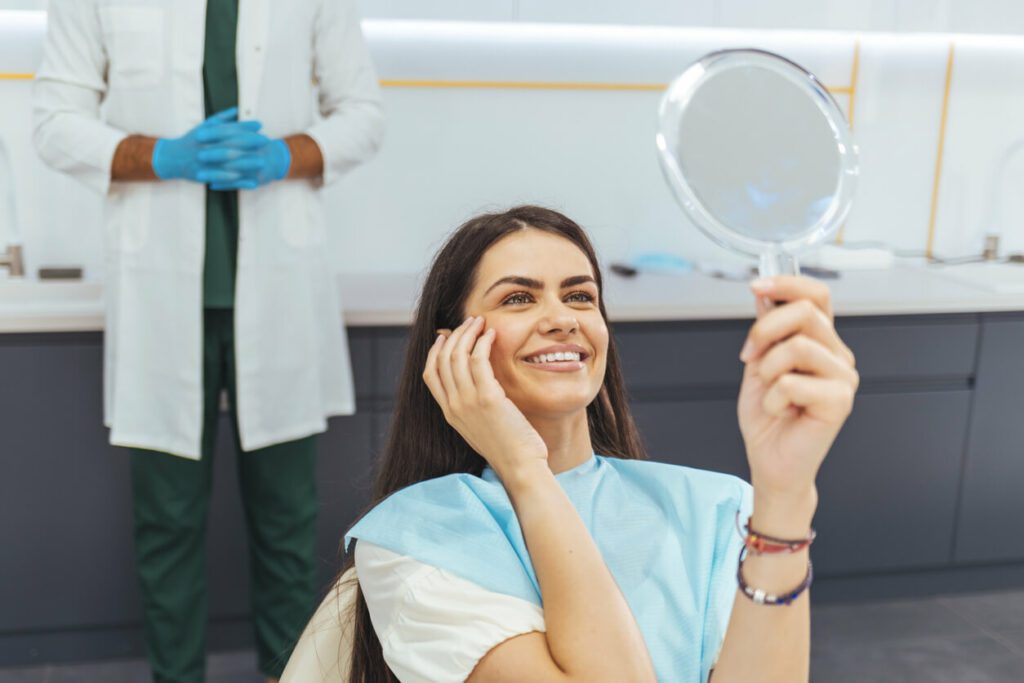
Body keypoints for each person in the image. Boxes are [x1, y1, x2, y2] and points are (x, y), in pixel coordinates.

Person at [281, 205, 858, 682]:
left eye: (580, 296)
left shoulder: (720, 507)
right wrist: (522, 467)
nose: (562, 319)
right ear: (451, 350)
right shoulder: (414, 540)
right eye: (518, 298)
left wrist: (784, 494)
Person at [32, 1, 384, 681]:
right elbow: (53, 121)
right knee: (166, 528)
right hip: (160, 297)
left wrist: (288, 154)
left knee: (287, 529)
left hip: (278, 289)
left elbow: (364, 113)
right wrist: (162, 155)